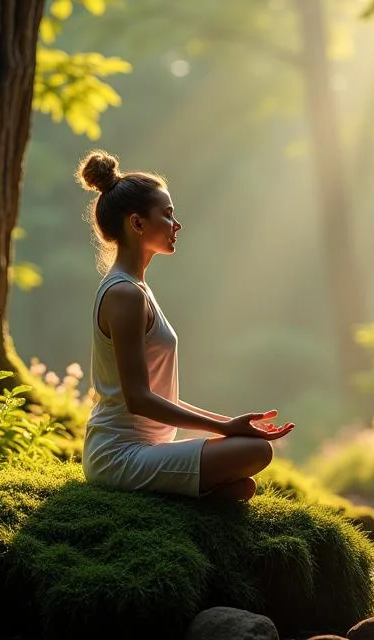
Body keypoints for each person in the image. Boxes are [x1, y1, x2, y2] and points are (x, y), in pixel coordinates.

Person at [76, 150, 293, 502]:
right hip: (119, 456)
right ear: (137, 223)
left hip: (149, 450)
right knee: (257, 453)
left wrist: (232, 424)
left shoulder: (137, 289)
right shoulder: (124, 295)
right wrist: (224, 427)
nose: (177, 225)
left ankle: (181, 497)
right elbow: (138, 399)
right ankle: (183, 495)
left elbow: (158, 397)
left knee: (245, 467)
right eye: (167, 215)